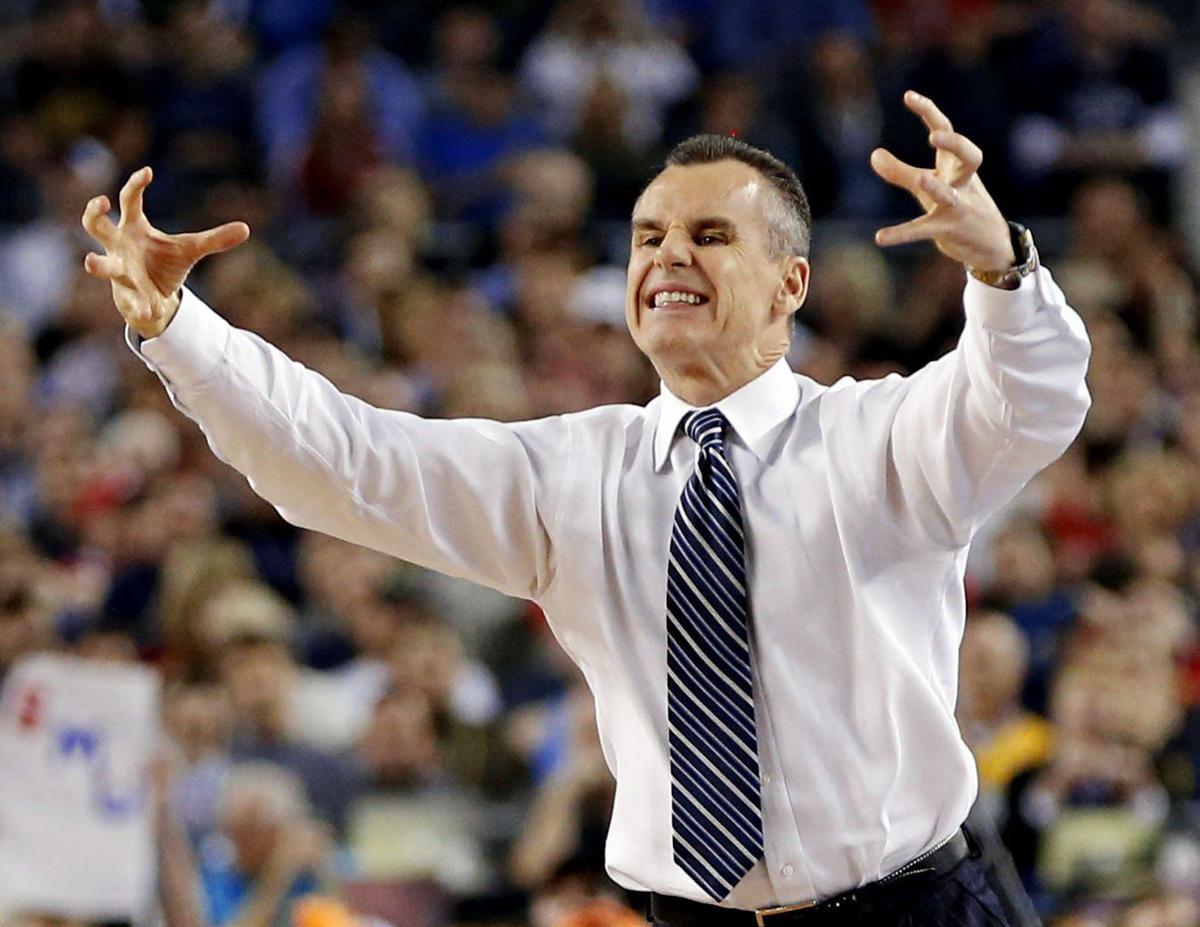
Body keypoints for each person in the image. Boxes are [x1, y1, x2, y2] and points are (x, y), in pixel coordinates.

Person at [82, 90, 1091, 925]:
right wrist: (178, 330)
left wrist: (1003, 267)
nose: (667, 257)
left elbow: (1034, 401)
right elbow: (341, 463)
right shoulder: (574, 473)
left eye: (708, 234)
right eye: (649, 237)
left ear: (791, 283)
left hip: (913, 907)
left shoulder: (882, 441)